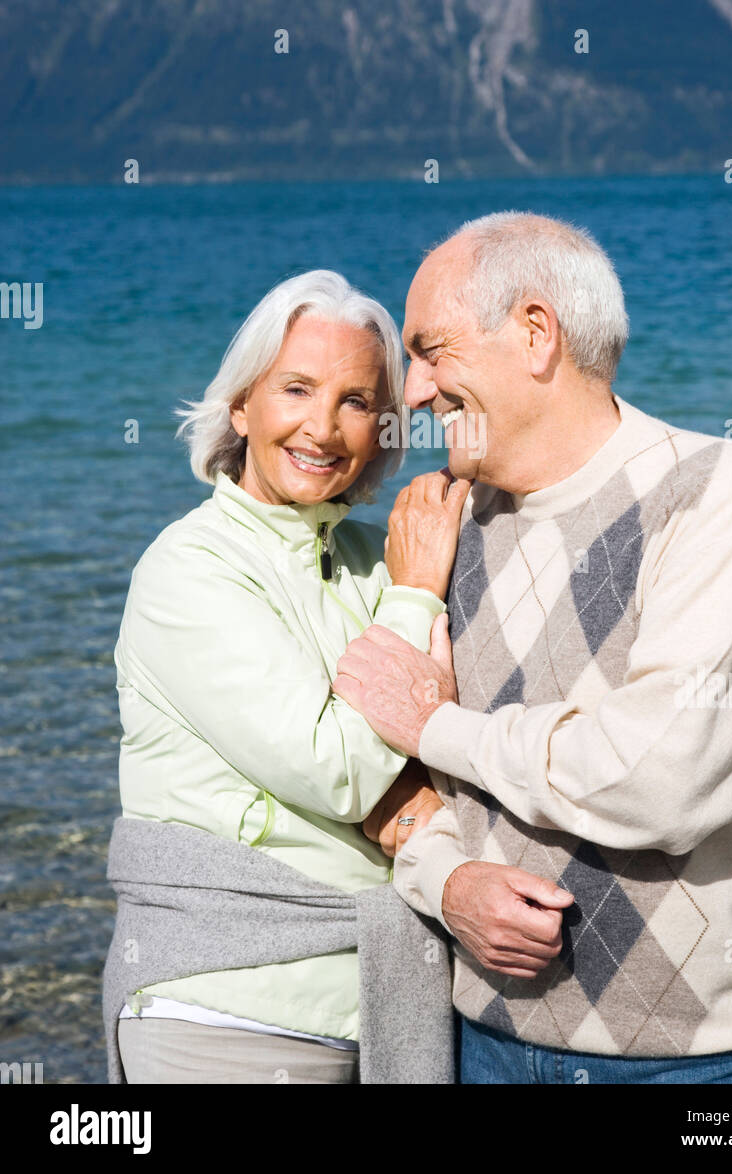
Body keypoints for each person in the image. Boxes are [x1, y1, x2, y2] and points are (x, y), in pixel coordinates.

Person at [334, 211, 732, 1085]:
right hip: (484, 1042)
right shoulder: (441, 523)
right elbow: (370, 761)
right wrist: (447, 882)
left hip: (701, 1065)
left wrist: (437, 724)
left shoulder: (717, 495)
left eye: (432, 350)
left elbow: (663, 778)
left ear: (534, 333)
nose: (413, 392)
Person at [105, 268, 472, 1084]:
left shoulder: (377, 558)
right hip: (227, 1013)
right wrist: (415, 596)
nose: (323, 427)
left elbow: (453, 732)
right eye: (296, 389)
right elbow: (337, 770)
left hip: (373, 1004)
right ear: (242, 405)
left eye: (354, 402)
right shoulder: (186, 570)